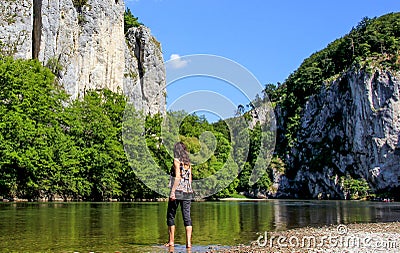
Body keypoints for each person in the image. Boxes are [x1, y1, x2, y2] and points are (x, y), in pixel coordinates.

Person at [165, 141, 193, 249]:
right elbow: (189, 179)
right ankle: (188, 244)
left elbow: (177, 177)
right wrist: (189, 189)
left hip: (178, 191)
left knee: (171, 215)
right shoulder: (188, 162)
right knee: (187, 217)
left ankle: (171, 241)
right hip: (188, 192)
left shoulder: (176, 161)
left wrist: (173, 191)